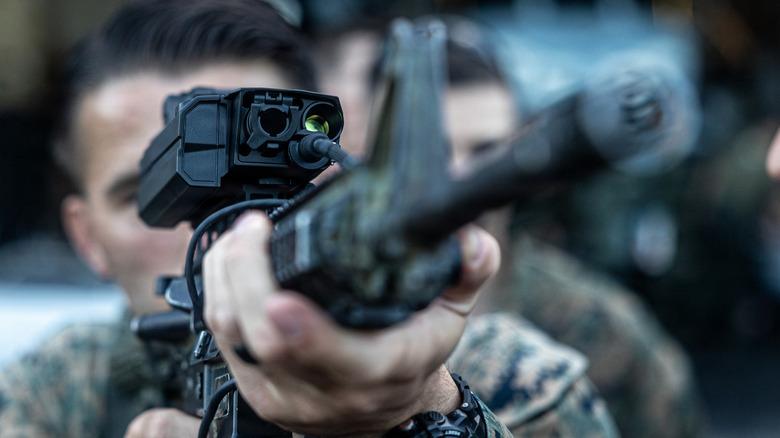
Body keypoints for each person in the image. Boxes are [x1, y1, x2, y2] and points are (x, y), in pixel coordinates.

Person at [0, 1, 617, 437]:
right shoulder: (51, 395)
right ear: (87, 238)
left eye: (268, 194)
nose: (234, 241)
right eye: (145, 200)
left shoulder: (523, 386)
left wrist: (419, 418)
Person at [316, 16, 706, 438]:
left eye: (486, 151)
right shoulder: (308, 325)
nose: (462, 174)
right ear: (363, 157)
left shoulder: (601, 330)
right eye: (434, 151)